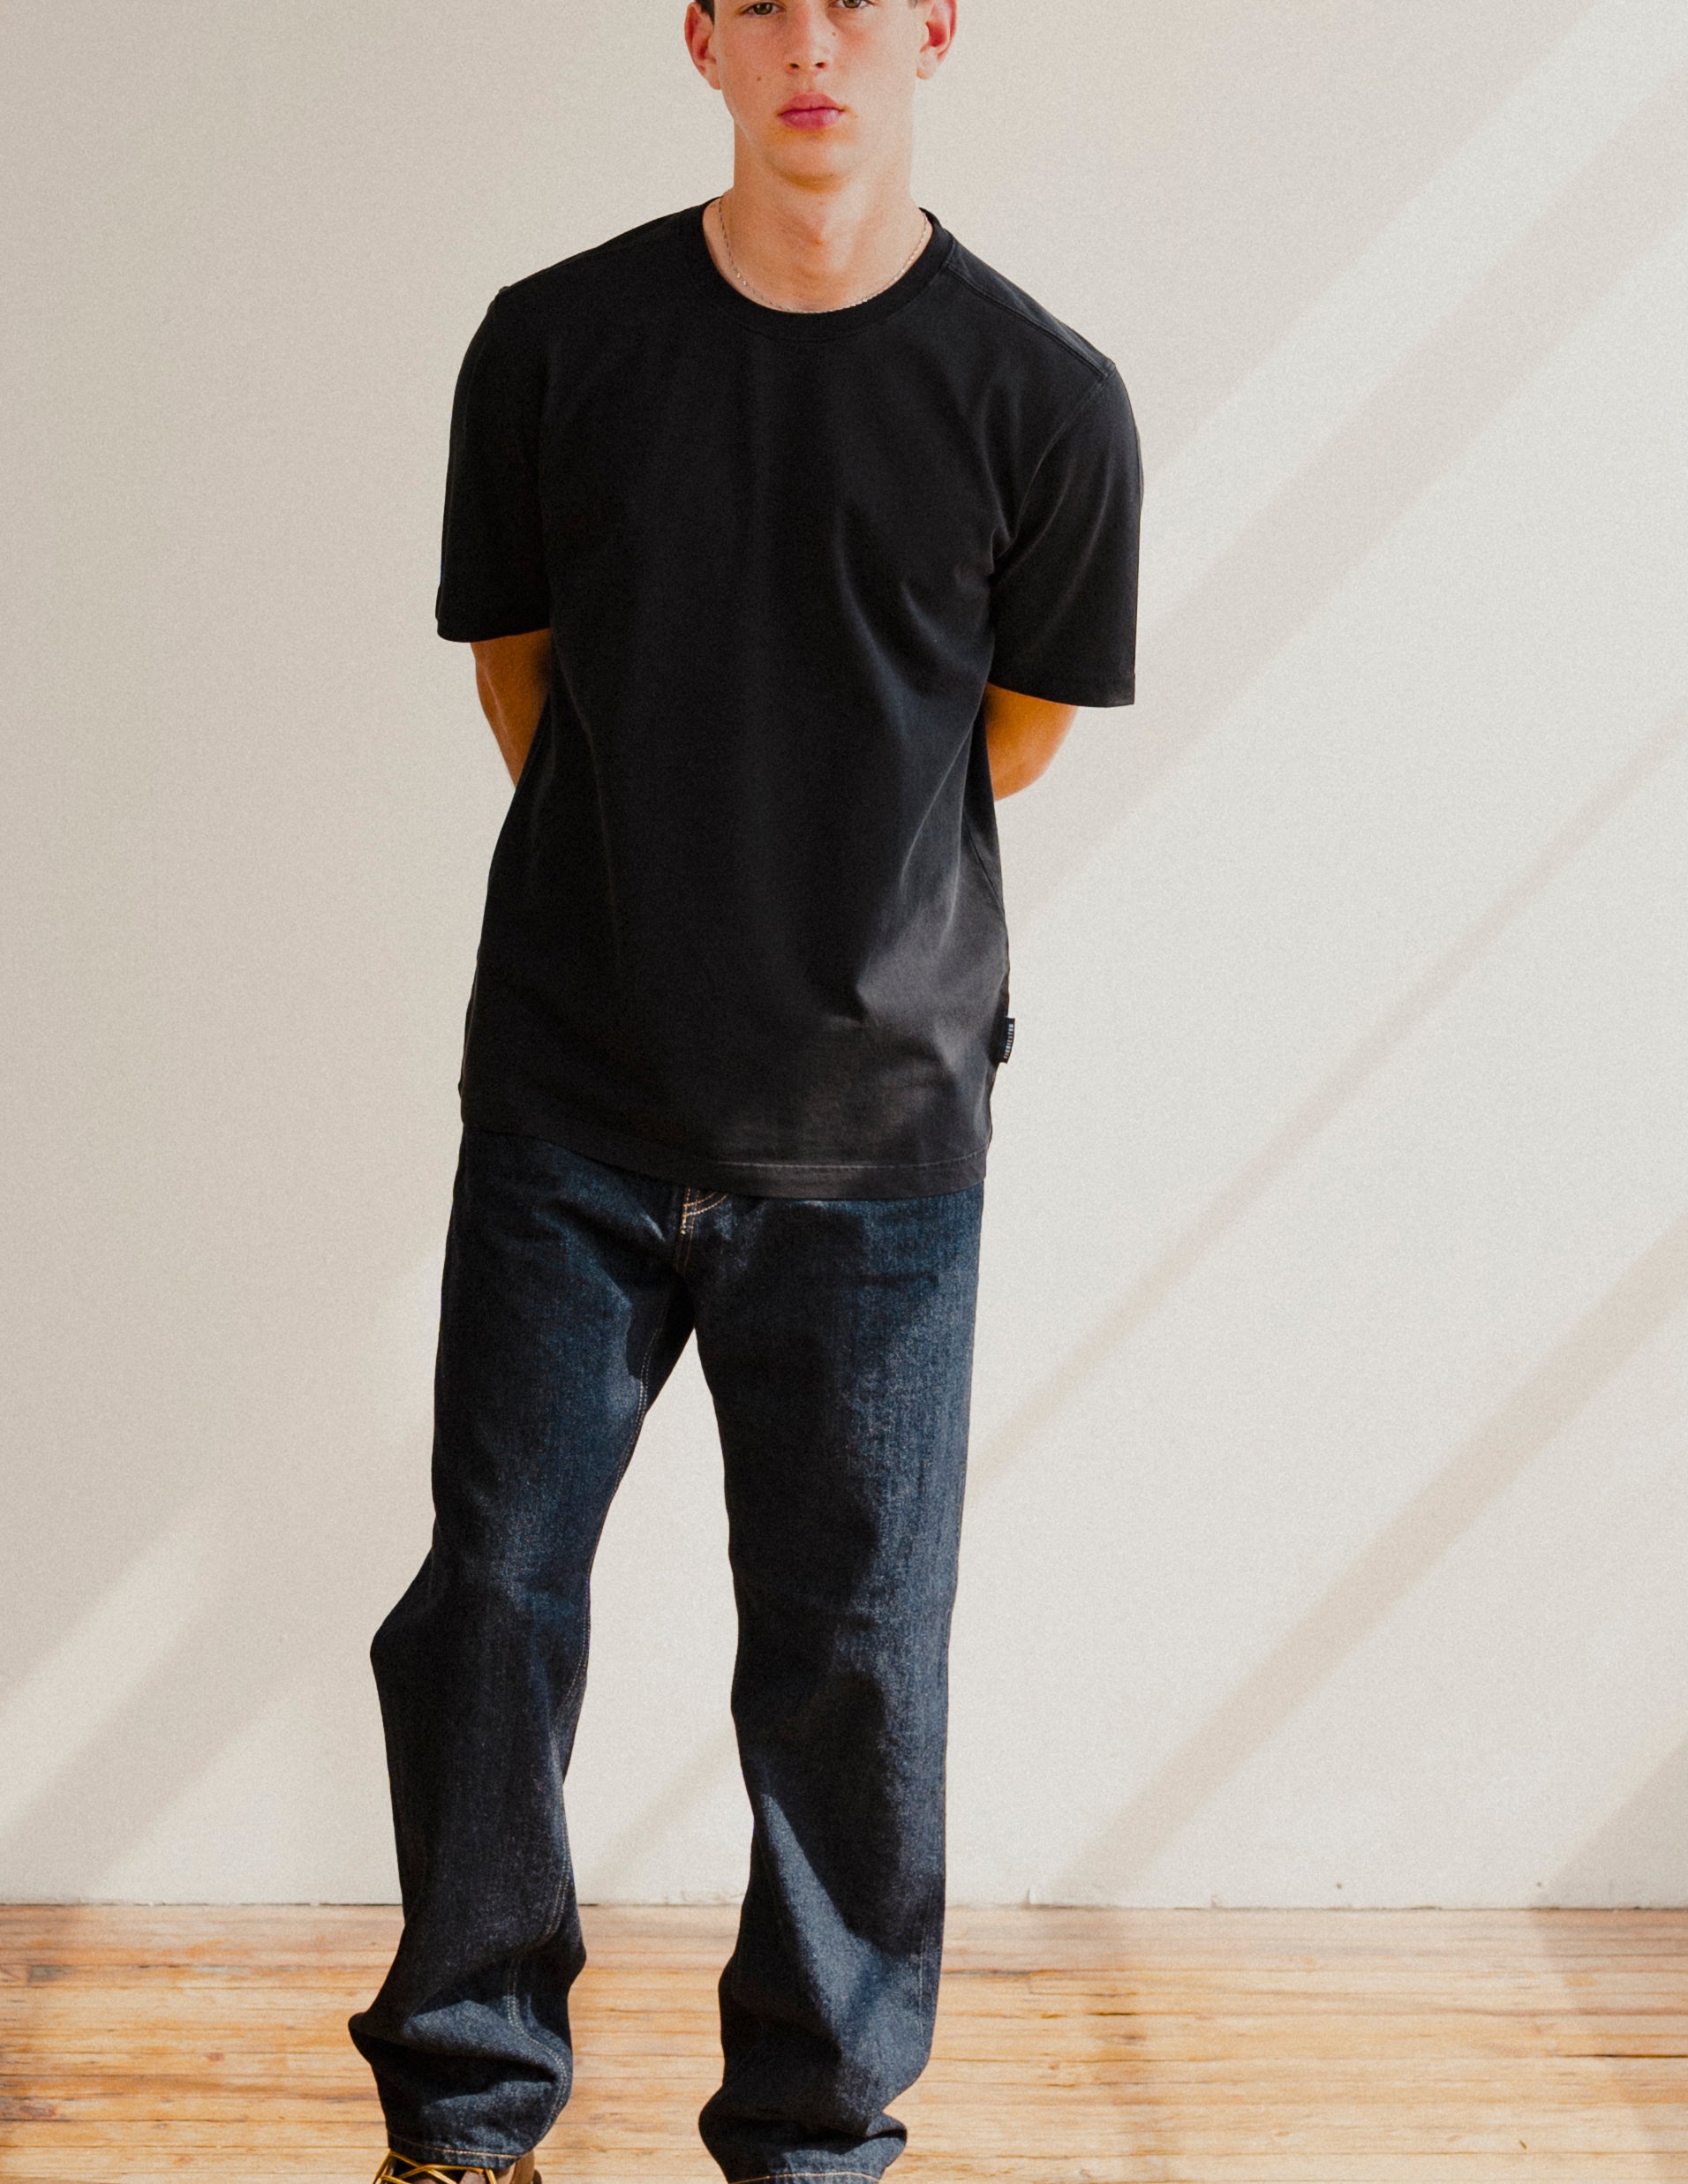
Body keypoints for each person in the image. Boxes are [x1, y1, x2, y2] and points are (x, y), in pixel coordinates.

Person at [350, 1, 1141, 2178]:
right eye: (767, 0)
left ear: (933, 33)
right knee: (491, 1601)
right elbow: (522, 675)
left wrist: (815, 909)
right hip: (572, 1106)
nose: (818, 39)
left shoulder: (1039, 397)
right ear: (699, 38)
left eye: (860, 0)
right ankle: (469, 2100)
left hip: (879, 1138)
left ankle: (812, 2129)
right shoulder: (552, 346)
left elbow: (1021, 722)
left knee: (854, 1656)